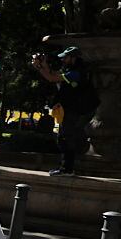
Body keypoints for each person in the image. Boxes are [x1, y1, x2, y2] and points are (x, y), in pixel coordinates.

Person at [32, 46, 98, 175]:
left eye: (66, 57)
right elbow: (53, 74)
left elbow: (52, 78)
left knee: (66, 138)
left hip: (74, 110)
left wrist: (39, 67)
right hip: (70, 109)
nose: (63, 60)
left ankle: (66, 169)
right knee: (64, 137)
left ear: (73, 58)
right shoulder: (73, 71)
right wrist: (43, 64)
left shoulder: (76, 73)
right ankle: (67, 168)